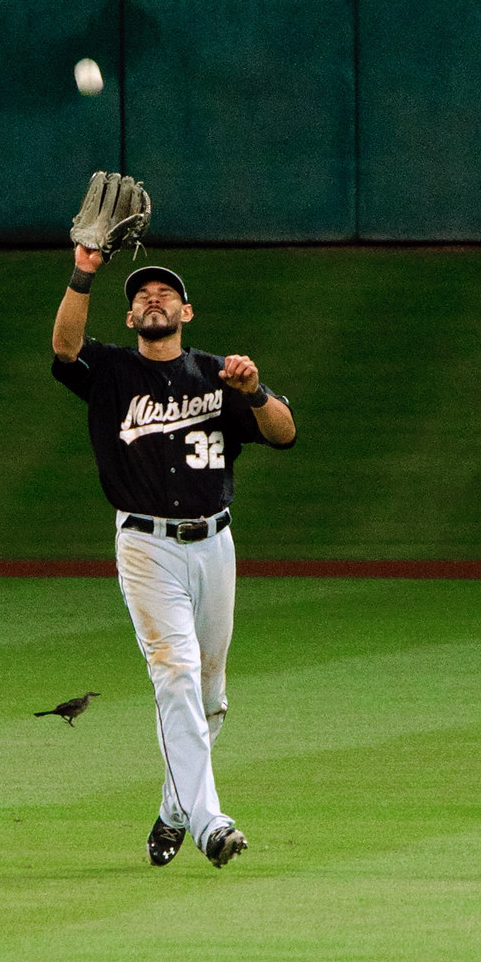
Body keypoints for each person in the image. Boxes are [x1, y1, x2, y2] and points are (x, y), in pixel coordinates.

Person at [51, 244, 296, 869]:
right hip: (145, 547)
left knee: (210, 693)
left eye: (164, 293)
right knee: (177, 676)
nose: (152, 298)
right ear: (131, 318)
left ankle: (173, 810)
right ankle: (211, 825)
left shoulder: (216, 374)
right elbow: (64, 349)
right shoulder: (108, 371)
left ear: (185, 310)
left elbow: (284, 432)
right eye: (140, 296)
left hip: (216, 545)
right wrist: (84, 273)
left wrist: (255, 389)